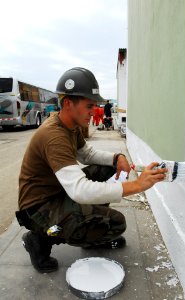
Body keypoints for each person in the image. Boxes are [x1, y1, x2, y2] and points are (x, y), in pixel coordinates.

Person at [16, 67, 167, 273]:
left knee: (105, 169)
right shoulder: (54, 136)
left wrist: (117, 157)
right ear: (68, 103)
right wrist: (136, 185)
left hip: (57, 192)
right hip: (39, 208)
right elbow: (80, 190)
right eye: (89, 106)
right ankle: (40, 239)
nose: (92, 111)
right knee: (116, 222)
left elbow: (86, 155)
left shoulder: (70, 125)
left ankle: (89, 235)